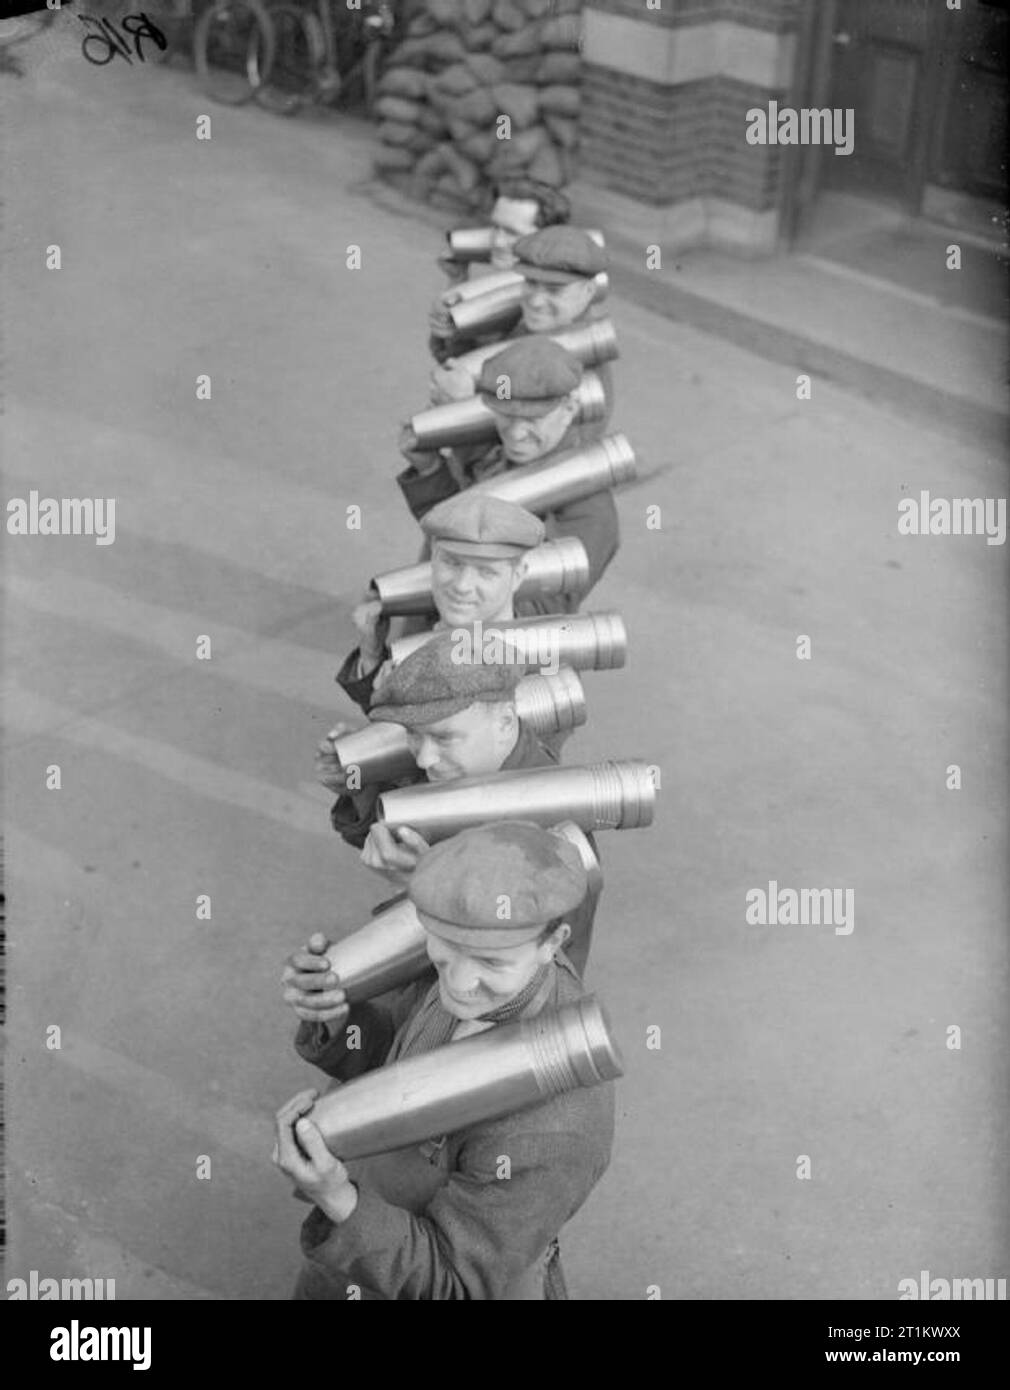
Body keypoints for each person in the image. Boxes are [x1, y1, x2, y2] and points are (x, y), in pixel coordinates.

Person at [274, 820, 615, 1300]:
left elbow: (456, 1283)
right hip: (365, 1241)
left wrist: (336, 1197)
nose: (458, 983)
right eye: (444, 952)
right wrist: (331, 1016)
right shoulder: (464, 952)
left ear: (552, 942)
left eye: (491, 963)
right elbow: (394, 1059)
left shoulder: (554, 1125)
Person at [320, 632, 598, 976]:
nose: (423, 758)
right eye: (413, 734)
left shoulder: (555, 834)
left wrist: (425, 883)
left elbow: (517, 974)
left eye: (443, 737)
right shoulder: (460, 765)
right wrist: (354, 784)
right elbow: (378, 833)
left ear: (505, 721)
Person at [398, 337, 619, 603]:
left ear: (569, 408)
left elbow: (543, 609)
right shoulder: (494, 447)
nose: (515, 434)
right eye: (506, 415)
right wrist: (429, 468)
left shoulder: (589, 511)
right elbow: (448, 525)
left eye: (533, 420)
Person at [332, 492, 548, 717]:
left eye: (486, 571)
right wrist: (371, 655)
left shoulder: (542, 660)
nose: (462, 586)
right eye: (452, 563)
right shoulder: (424, 624)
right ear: (432, 558)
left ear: (518, 576)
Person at [429, 226, 613, 416]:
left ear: (588, 291)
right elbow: (501, 387)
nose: (535, 301)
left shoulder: (581, 372)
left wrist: (464, 406)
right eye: (531, 283)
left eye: (554, 290)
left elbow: (521, 438)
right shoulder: (535, 327)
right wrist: (456, 291)